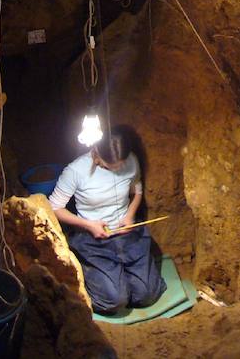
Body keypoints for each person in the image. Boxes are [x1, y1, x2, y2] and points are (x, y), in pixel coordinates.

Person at [48, 127, 166, 314]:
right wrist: (88, 225)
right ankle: (96, 272)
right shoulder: (76, 171)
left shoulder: (131, 160)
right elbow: (54, 207)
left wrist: (129, 215)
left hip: (126, 235)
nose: (118, 169)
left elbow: (137, 192)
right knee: (114, 301)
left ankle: (121, 276)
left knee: (146, 295)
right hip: (94, 239)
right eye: (111, 166)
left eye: (121, 164)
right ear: (96, 152)